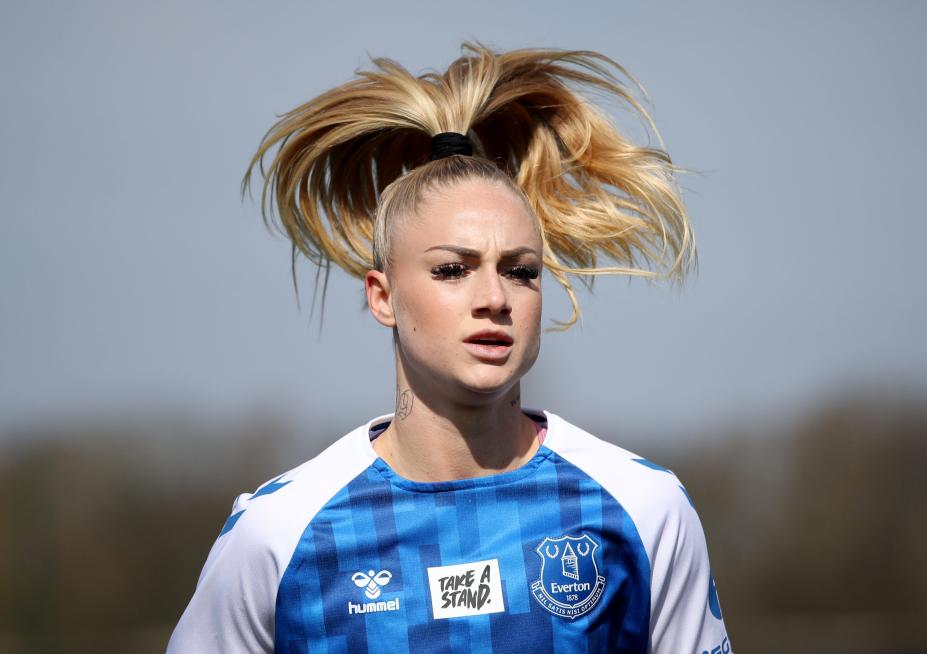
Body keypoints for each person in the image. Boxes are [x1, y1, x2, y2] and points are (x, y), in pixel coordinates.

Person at [168, 43, 731, 654]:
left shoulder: (644, 509)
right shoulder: (278, 535)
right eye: (451, 271)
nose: (494, 296)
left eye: (520, 271)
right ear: (382, 297)